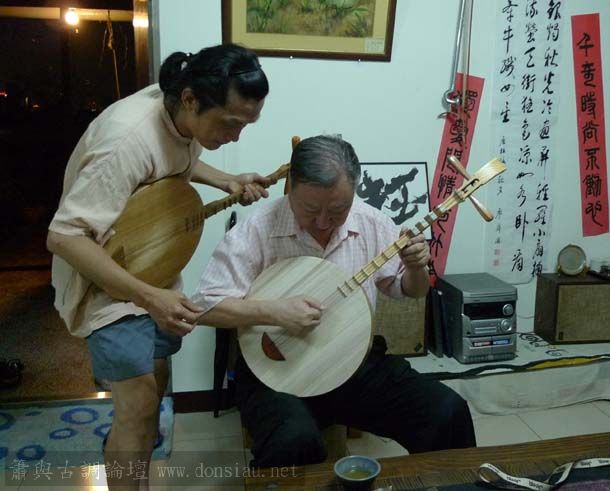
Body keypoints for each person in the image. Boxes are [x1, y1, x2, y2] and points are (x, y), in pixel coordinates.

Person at [47, 44, 272, 489]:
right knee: (138, 403)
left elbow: (172, 155)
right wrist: (149, 298)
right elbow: (65, 236)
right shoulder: (125, 140)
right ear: (190, 99)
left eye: (246, 125)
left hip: (152, 267)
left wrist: (226, 179)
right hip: (106, 280)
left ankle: (138, 477)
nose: (236, 136)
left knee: (157, 381)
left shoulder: (178, 110)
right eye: (231, 123)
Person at [193, 135, 477, 466]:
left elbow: (411, 290)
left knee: (446, 412)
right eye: (311, 210)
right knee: (292, 442)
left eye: (338, 210)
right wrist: (274, 311)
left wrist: (416, 267)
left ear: (354, 190)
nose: (323, 222)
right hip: (275, 372)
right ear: (291, 187)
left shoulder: (371, 223)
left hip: (353, 364)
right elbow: (205, 307)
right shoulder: (257, 229)